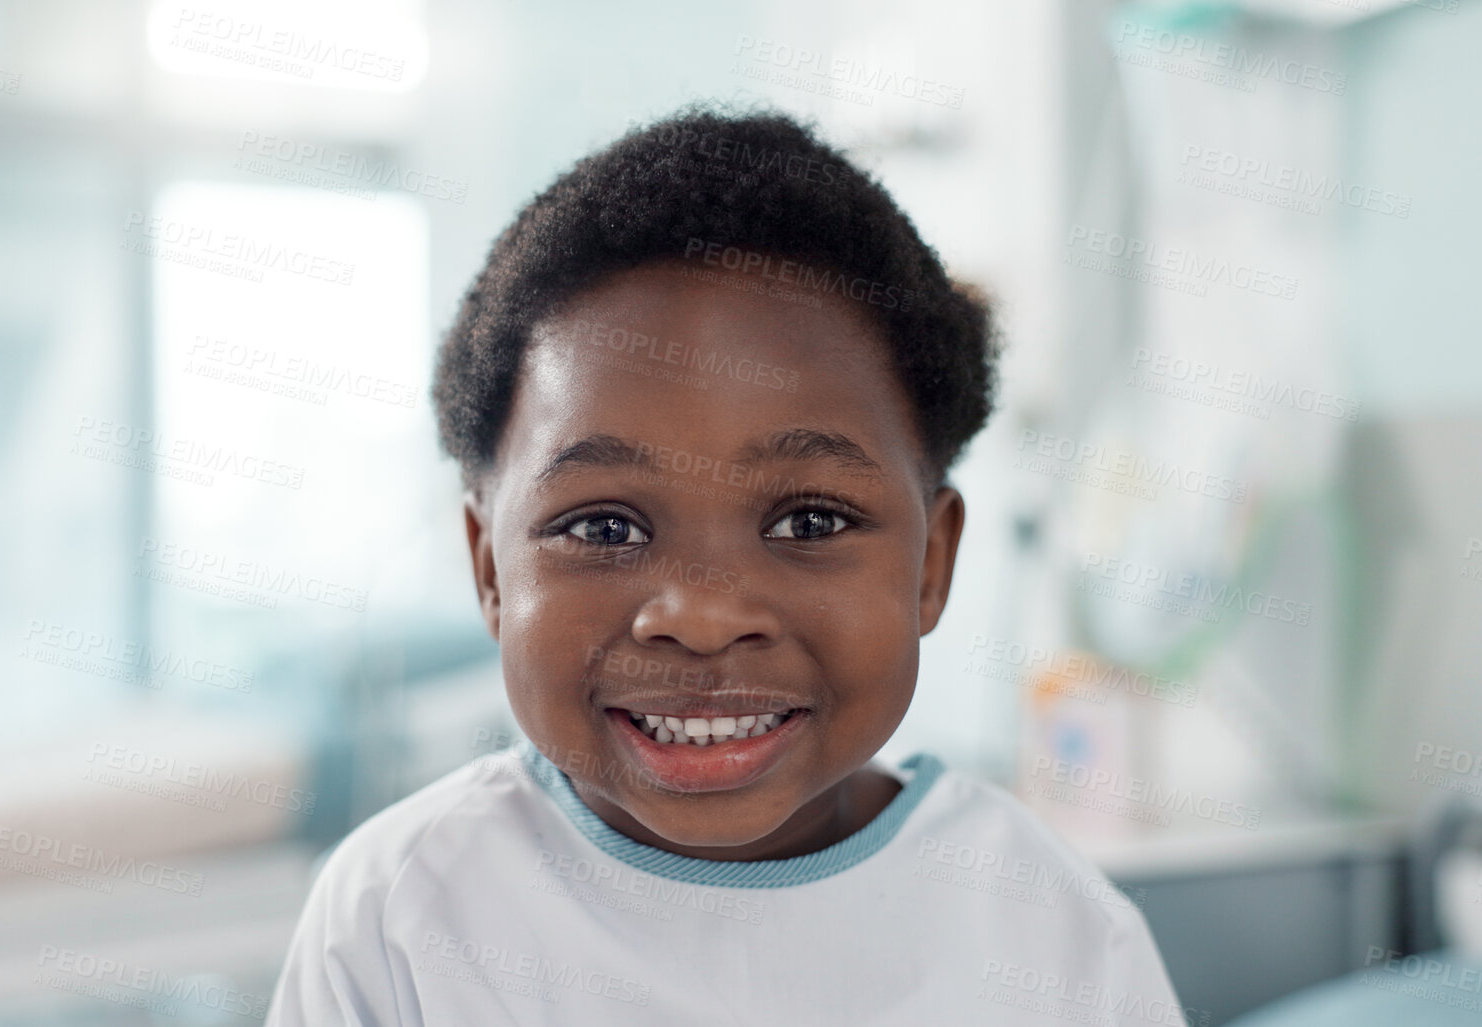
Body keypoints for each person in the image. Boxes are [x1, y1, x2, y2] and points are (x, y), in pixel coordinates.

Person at [266, 104, 1187, 1026]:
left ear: (929, 566)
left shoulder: (1055, 934)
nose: (701, 616)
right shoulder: (397, 914)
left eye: (809, 519)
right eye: (602, 529)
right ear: (491, 574)